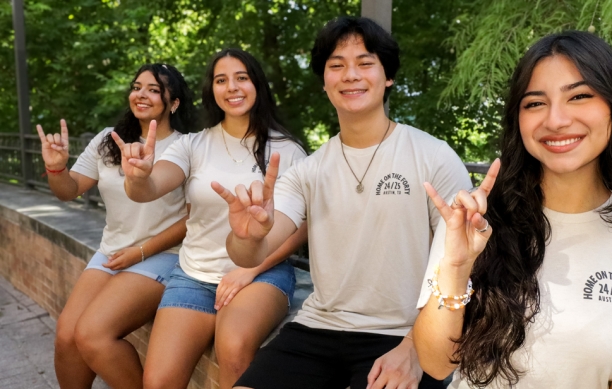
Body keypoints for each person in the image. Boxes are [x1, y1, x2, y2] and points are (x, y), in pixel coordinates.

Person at [413, 31, 612, 389]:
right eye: (535, 103)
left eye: (580, 96)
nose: (556, 120)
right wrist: (457, 266)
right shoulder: (473, 223)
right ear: (518, 120)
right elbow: (434, 364)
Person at [214, 16, 472, 389]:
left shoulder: (433, 157)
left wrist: (416, 346)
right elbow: (251, 254)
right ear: (324, 82)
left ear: (388, 77)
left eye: (365, 63)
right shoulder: (309, 170)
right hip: (318, 326)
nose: (351, 74)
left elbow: (463, 265)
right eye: (337, 65)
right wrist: (248, 235)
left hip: (403, 332)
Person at [113, 48, 307, 389]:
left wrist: (250, 269)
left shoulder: (287, 151)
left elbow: (302, 227)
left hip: (262, 272)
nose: (231, 87)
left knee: (232, 350)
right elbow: (150, 186)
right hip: (194, 275)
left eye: (241, 78)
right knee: (157, 382)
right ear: (212, 90)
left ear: (257, 85)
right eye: (221, 80)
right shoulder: (193, 145)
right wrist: (139, 177)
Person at [37, 63, 194, 389]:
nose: (142, 94)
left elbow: (192, 220)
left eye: (154, 89)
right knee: (67, 335)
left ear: (173, 102)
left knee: (92, 334)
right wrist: (56, 169)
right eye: (137, 86)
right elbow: (69, 190)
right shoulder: (108, 140)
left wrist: (139, 252)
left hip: (164, 254)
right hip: (112, 250)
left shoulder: (188, 146)